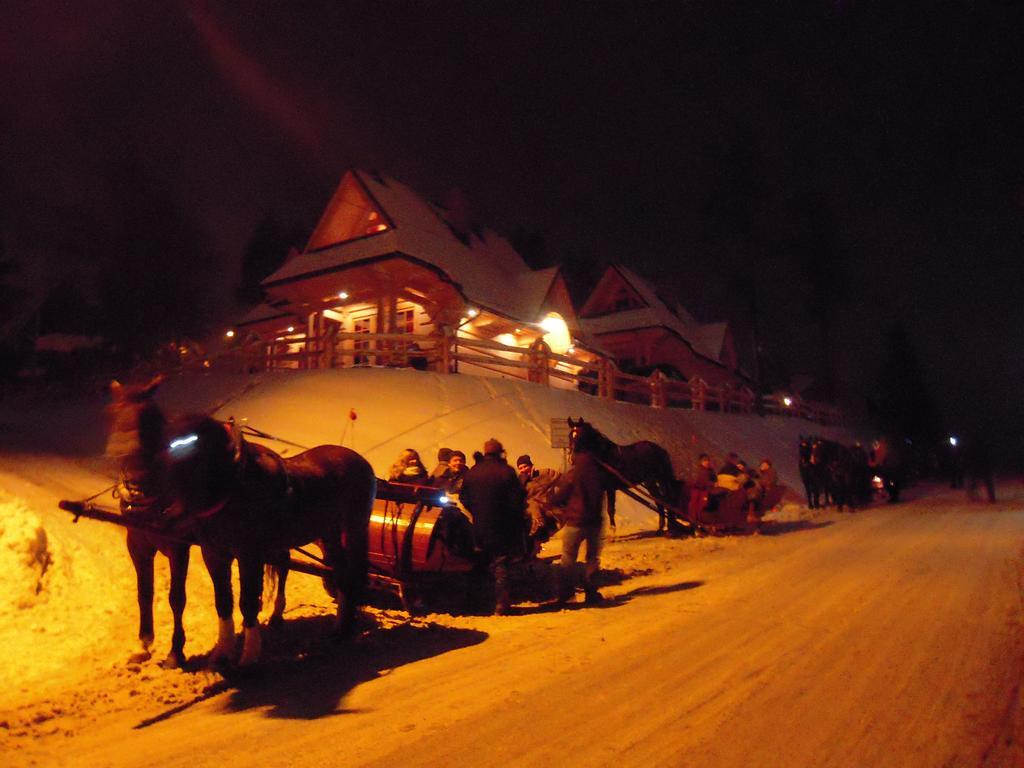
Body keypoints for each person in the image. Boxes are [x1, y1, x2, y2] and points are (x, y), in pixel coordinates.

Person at [459, 438, 527, 615]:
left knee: (481, 562)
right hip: (502, 527)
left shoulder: (473, 472)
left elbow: (463, 497)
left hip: (480, 526)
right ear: (500, 452)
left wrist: (476, 511)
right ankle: (501, 604)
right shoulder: (507, 472)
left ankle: (477, 603)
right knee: (500, 563)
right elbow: (518, 500)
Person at [550, 446, 605, 604]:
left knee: (568, 559)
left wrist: (553, 502)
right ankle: (591, 593)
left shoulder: (573, 474)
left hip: (575, 522)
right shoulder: (598, 474)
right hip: (594, 524)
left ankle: (568, 596)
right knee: (592, 558)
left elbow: (561, 495)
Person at [516, 454, 562, 543]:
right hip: (533, 513)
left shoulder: (545, 473)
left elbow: (562, 479)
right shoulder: (521, 482)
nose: (523, 470)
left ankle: (539, 524)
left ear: (531, 465)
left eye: (525, 466)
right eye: (520, 468)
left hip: (549, 509)